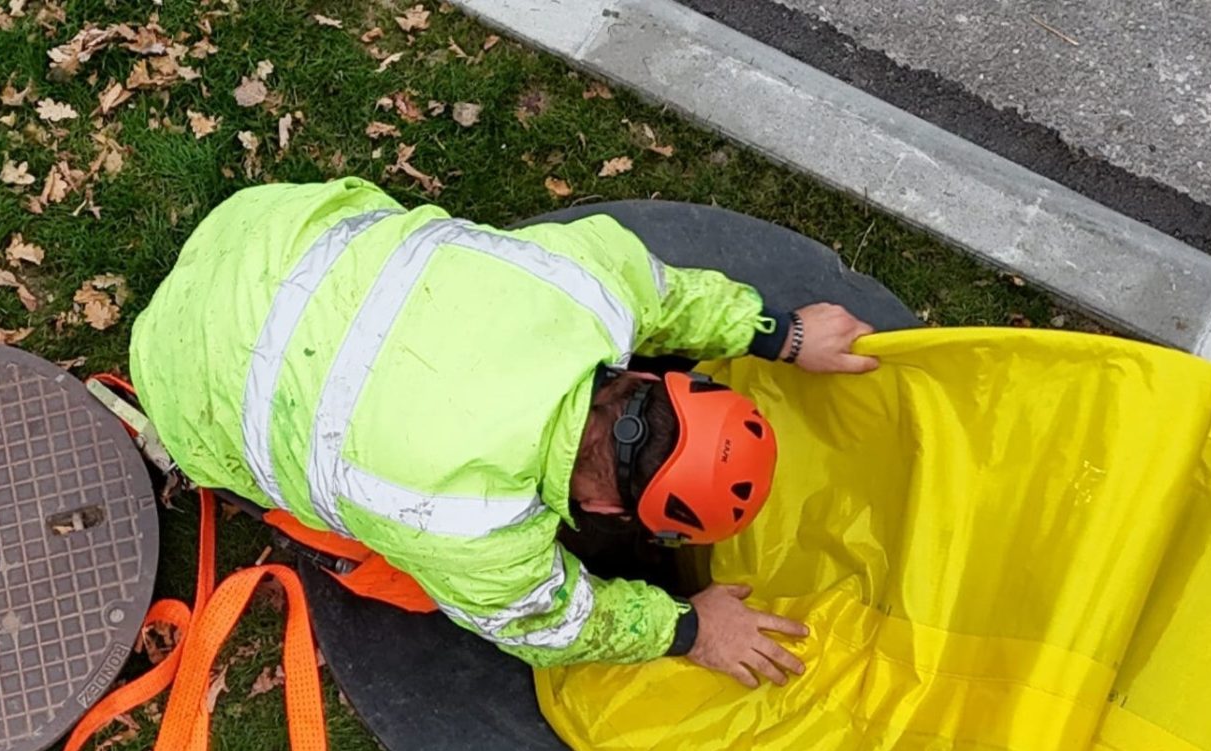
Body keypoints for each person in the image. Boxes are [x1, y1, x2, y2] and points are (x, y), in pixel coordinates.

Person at [121, 178, 878, 687]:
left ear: (654, 377)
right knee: (403, 578)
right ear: (614, 515)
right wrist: (690, 630)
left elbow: (667, 295)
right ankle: (218, 463)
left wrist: (777, 331)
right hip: (185, 378)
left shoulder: (589, 288)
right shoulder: (477, 532)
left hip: (266, 229)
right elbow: (554, 623)